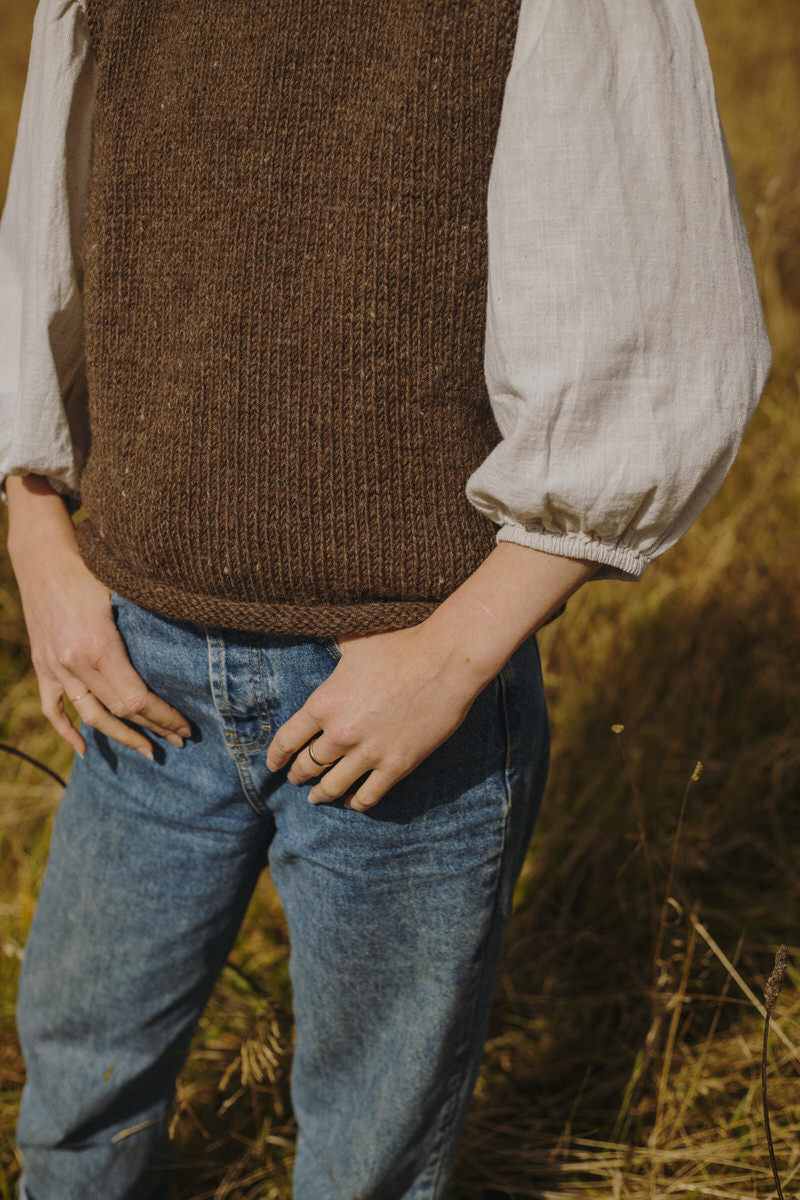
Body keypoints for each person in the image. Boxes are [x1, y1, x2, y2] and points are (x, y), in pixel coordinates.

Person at [0, 0, 770, 1196]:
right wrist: (39, 532)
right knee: (75, 1089)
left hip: (408, 684)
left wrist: (456, 657)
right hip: (136, 653)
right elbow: (47, 219)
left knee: (370, 1147)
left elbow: (659, 333)